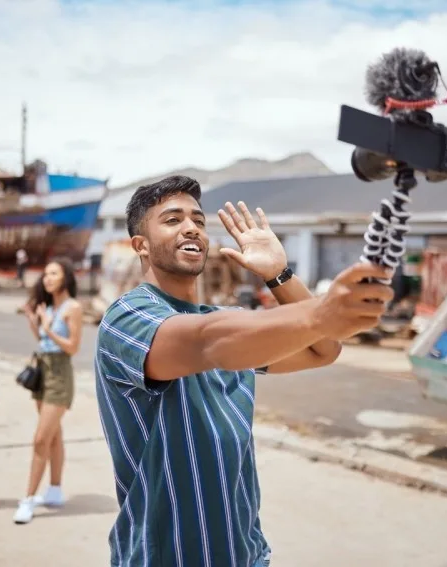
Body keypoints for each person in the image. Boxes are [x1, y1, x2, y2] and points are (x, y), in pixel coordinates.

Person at [94, 175, 394, 566]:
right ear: (141, 246)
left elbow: (323, 349)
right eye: (172, 220)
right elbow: (205, 343)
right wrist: (321, 312)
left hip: (244, 555)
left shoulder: (228, 322)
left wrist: (279, 275)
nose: (191, 228)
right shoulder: (128, 317)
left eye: (199, 221)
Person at [13, 258, 83, 525]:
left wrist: (45, 328)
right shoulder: (50, 306)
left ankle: (28, 499)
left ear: (65, 276)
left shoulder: (72, 307)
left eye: (53, 273)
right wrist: (35, 322)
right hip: (43, 371)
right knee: (53, 435)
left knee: (41, 439)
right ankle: (54, 490)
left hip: (60, 375)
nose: (47, 278)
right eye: (45, 274)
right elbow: (43, 341)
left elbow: (72, 347)